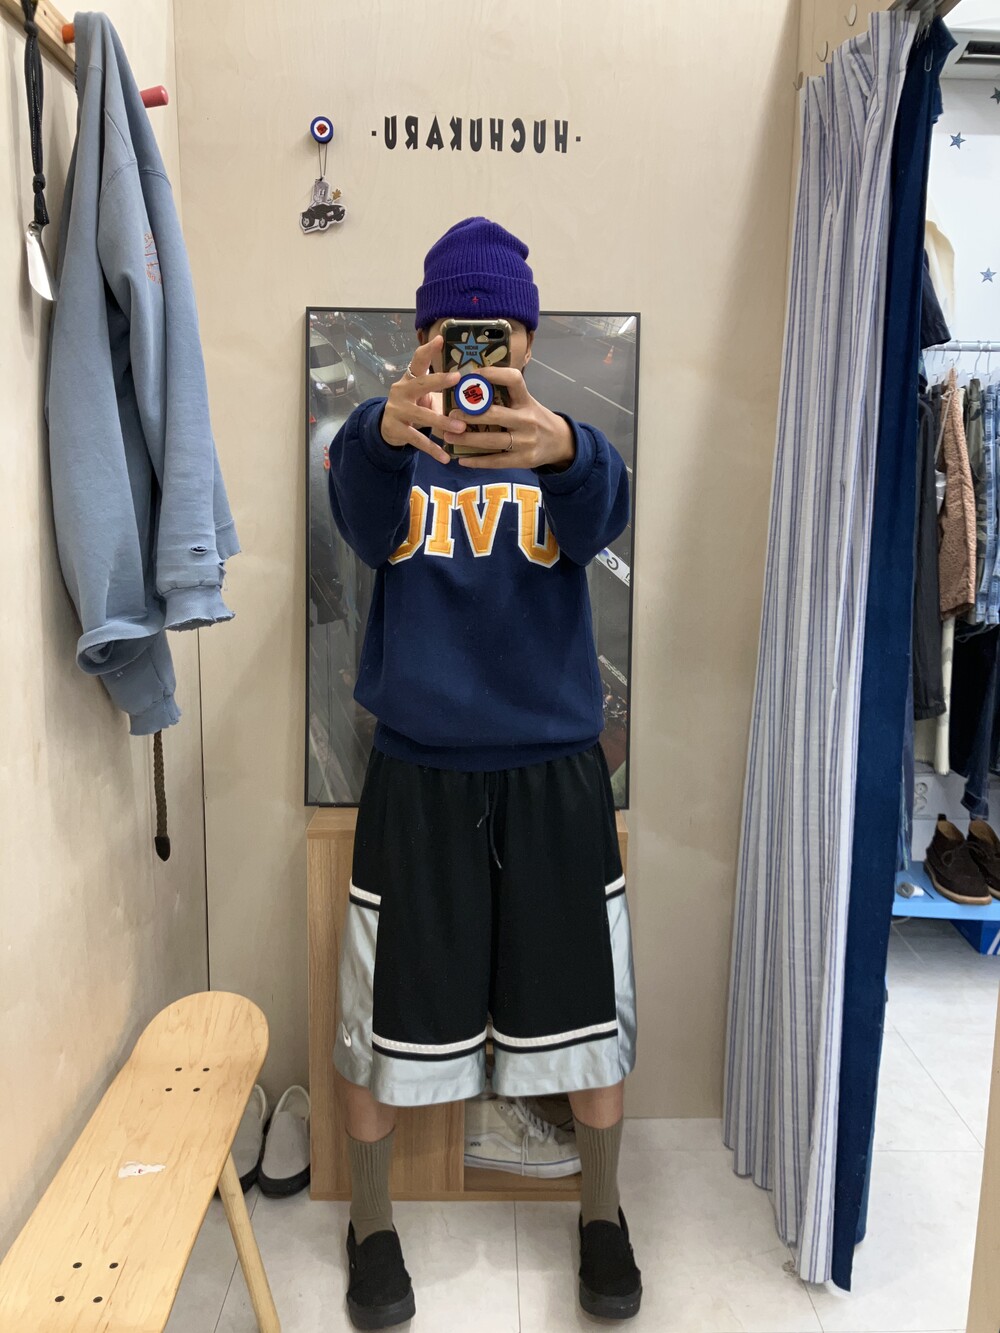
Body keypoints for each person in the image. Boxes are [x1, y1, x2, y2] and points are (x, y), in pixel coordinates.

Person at [327, 216, 641, 1328]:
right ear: (424, 339)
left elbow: (607, 512)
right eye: (455, 331)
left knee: (587, 1008)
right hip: (421, 775)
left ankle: (601, 1214)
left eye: (497, 331)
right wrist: (383, 430)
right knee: (382, 1014)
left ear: (527, 339)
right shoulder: (382, 446)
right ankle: (372, 1226)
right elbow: (358, 522)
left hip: (553, 773)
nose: (475, 352)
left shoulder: (566, 446)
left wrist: (564, 448)